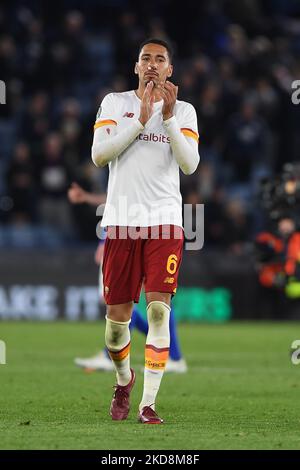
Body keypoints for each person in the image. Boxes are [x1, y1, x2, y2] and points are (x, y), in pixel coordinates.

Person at [91, 38, 200, 424]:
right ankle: (124, 380)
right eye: (145, 58)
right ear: (136, 67)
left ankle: (148, 404)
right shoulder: (115, 103)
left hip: (164, 223)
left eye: (160, 59)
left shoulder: (184, 111)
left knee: (158, 311)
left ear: (170, 69)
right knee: (116, 329)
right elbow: (100, 155)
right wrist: (139, 119)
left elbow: (189, 166)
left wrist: (167, 118)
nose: (152, 64)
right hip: (121, 222)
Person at [67, 182, 188, 373]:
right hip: (146, 233)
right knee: (138, 300)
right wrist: (88, 198)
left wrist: (105, 240)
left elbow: (124, 201)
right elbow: (117, 198)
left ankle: (166, 353)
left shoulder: (129, 158)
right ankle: (167, 351)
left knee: (141, 298)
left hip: (142, 236)